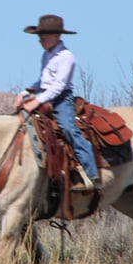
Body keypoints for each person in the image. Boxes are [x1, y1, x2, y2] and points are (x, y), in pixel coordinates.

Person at [13, 14, 100, 191]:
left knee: (68, 128)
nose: (40, 41)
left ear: (56, 36)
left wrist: (35, 101)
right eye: (39, 37)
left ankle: (92, 174)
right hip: (44, 94)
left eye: (43, 37)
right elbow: (43, 82)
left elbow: (58, 86)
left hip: (61, 98)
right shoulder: (47, 54)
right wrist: (25, 93)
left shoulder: (67, 57)